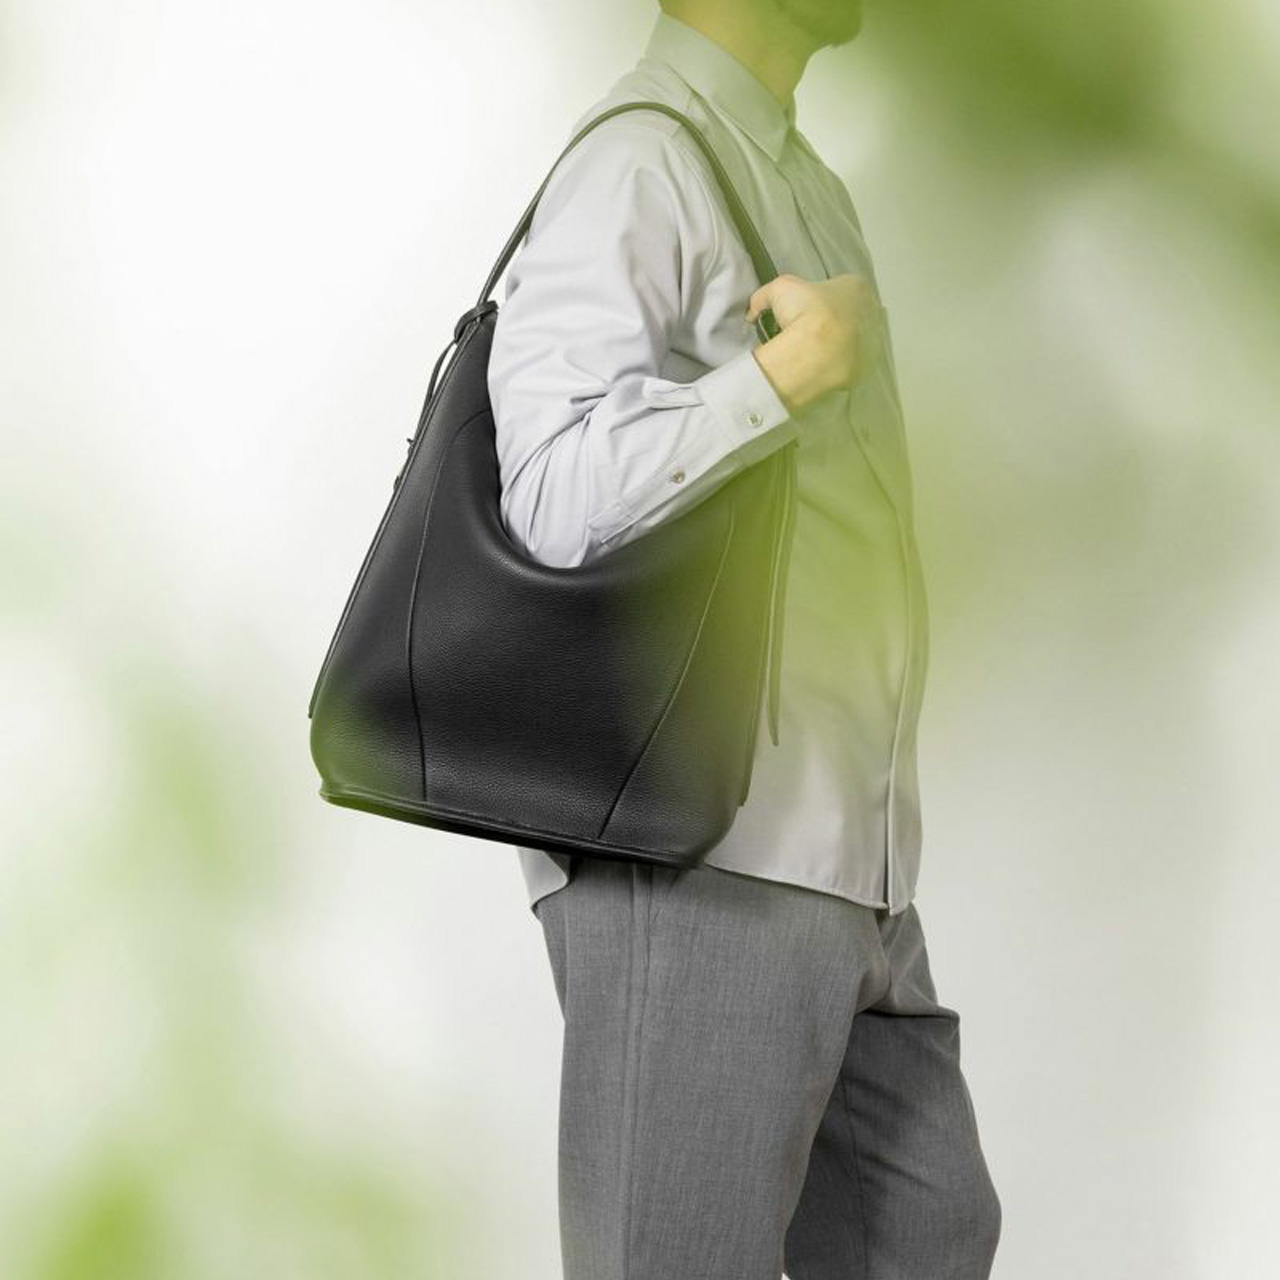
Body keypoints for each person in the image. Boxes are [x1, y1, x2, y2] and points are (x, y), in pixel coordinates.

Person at [487, 2, 1002, 1276]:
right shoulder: (638, 158)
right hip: (699, 856)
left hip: (852, 864)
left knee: (930, 1230)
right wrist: (777, 378)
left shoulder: (802, 180)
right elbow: (545, 496)